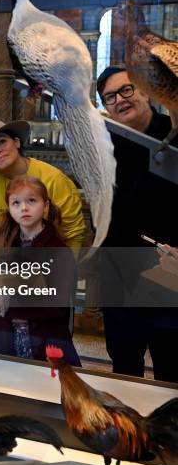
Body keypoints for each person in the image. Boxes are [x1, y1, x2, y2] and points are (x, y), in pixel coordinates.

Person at [97, 65, 178, 382]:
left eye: (126, 89)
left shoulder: (173, 132)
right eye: (110, 97)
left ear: (145, 91)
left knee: (170, 370)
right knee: (124, 368)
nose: (119, 100)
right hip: (121, 275)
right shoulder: (104, 145)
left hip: (168, 274)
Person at [0, 176, 80, 365]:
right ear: (9, 209)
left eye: (32, 201)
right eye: (16, 203)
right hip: (5, 335)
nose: (24, 208)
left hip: (44, 337)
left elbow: (58, 306)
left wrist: (11, 301)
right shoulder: (4, 244)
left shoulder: (58, 250)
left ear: (45, 205)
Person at [0, 118, 86, 251]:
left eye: (2, 141)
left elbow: (73, 233)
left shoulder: (54, 179)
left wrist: (66, 268)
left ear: (17, 142)